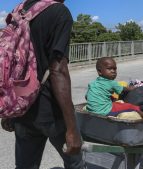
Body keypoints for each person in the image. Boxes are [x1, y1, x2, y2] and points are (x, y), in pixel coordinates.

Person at [1, 0, 85, 168]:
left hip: (22, 107)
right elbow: (58, 70)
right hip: (51, 112)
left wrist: (9, 113)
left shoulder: (21, 10)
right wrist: (72, 128)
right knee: (75, 163)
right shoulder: (59, 12)